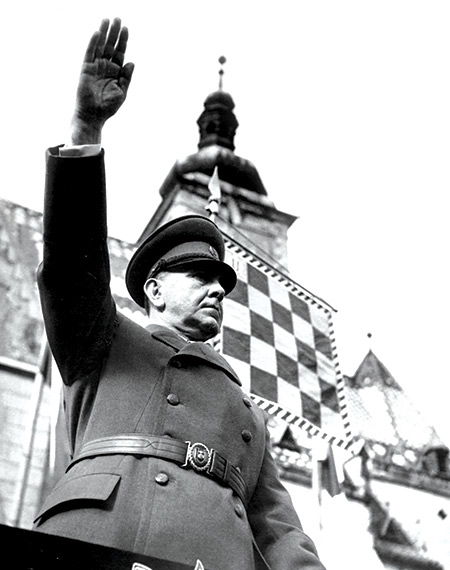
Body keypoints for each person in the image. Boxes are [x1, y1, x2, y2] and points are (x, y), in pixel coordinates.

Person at [34, 18, 326, 570]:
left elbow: (280, 531)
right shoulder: (102, 339)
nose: (218, 288)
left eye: (222, 281)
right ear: (154, 288)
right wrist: (86, 128)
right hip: (99, 548)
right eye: (199, 275)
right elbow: (74, 265)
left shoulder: (248, 412)